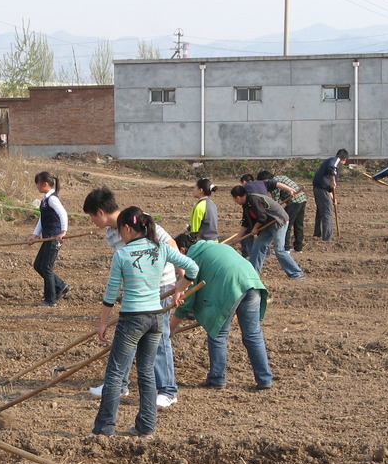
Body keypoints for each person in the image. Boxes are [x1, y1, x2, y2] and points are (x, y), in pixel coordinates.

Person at [91, 207, 198, 439]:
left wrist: (102, 323)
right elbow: (192, 267)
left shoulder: (122, 254)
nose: (120, 235)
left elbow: (111, 294)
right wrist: (180, 288)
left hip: (132, 319)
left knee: (115, 373)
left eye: (120, 231)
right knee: (147, 372)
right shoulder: (160, 248)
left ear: (128, 229)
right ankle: (146, 428)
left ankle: (104, 429)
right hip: (156, 317)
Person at [83, 186, 181, 407]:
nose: (92, 222)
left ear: (100, 212)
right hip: (136, 292)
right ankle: (119, 385)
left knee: (159, 338)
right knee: (128, 337)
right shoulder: (111, 234)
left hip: (160, 287)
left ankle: (168, 390)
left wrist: (179, 283)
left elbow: (171, 245)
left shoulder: (138, 220)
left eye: (91, 217)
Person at [172, 234, 272, 391]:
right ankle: (265, 379)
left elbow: (187, 300)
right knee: (253, 334)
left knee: (217, 333)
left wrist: (170, 328)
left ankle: (217, 378)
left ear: (183, 250)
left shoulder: (192, 259)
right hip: (252, 282)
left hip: (232, 288)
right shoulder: (216, 246)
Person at [230, 185, 305, 279]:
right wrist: (238, 238)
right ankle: (253, 273)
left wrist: (255, 228)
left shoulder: (254, 199)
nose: (235, 202)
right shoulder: (246, 204)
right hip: (267, 224)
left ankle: (297, 273)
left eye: (234, 199)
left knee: (279, 249)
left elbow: (262, 216)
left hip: (278, 221)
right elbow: (245, 222)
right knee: (258, 246)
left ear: (238, 197)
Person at [26, 171, 70, 307]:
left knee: (46, 267)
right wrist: (35, 234)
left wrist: (63, 231)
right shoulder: (46, 199)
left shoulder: (52, 199)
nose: (37, 186)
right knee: (38, 265)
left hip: (54, 238)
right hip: (47, 237)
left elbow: (63, 214)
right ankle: (61, 285)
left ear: (44, 184)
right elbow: (42, 219)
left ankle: (51, 299)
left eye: (37, 184)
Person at [256, 170, 307, 253]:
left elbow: (275, 201)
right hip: (302, 199)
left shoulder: (274, 183)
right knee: (298, 224)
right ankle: (298, 248)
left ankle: (285, 248)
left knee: (286, 223)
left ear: (266, 179)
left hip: (294, 201)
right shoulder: (281, 177)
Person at [312, 148, 349, 242]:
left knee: (321, 211)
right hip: (321, 188)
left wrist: (333, 199)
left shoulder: (335, 165)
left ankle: (318, 234)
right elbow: (332, 168)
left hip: (321, 188)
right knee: (327, 212)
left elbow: (331, 188)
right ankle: (327, 238)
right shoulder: (335, 160)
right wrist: (333, 180)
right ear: (345, 159)